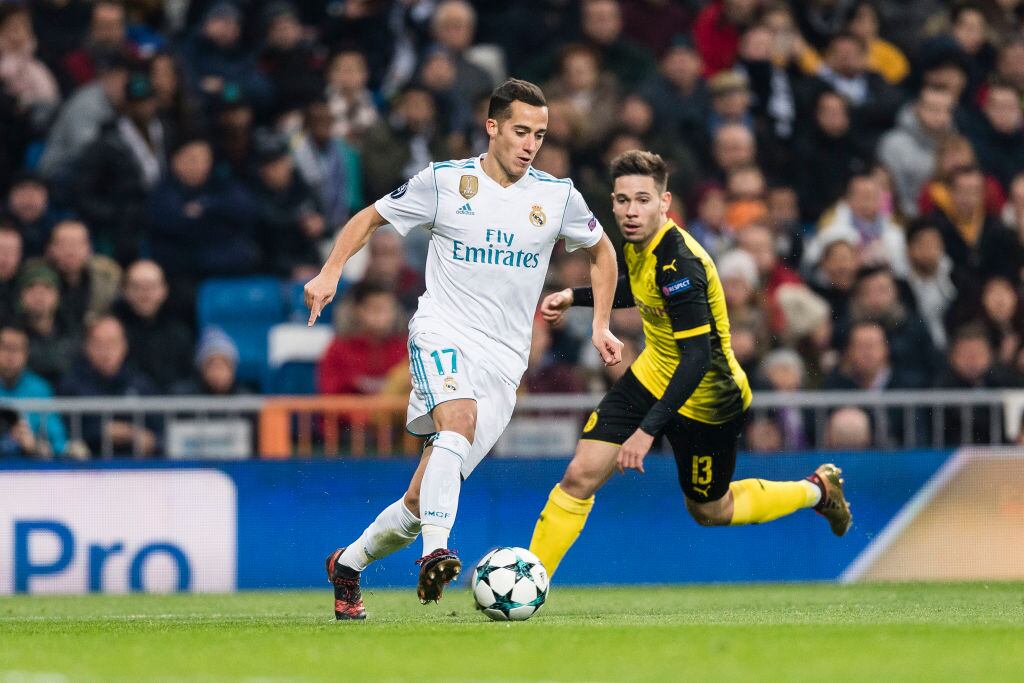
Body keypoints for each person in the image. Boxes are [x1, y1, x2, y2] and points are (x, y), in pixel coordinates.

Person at [303, 79, 622, 619]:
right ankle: (437, 553)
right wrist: (331, 270)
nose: (530, 144)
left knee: (417, 501)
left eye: (539, 135)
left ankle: (349, 566)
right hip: (441, 332)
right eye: (521, 131)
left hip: (503, 362)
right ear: (492, 126)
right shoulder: (446, 181)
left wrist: (601, 324)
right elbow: (369, 218)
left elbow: (603, 251)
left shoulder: (557, 196)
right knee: (458, 421)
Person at [528, 150, 852, 580]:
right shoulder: (638, 244)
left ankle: (815, 491)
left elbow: (697, 359)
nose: (631, 211)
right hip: (653, 375)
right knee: (580, 475)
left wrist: (645, 433)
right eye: (623, 200)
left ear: (664, 203)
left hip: (708, 400)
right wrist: (576, 296)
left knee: (710, 510)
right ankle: (530, 578)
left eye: (643, 200)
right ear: (612, 202)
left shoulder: (680, 263)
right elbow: (639, 289)